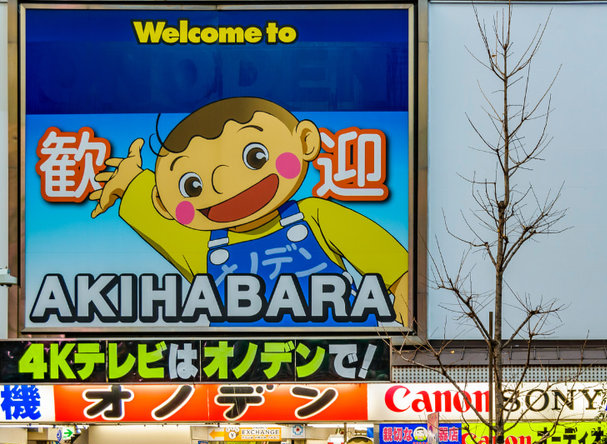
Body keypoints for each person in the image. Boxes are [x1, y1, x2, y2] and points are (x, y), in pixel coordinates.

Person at [90, 97, 409, 325]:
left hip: (347, 357)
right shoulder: (199, 246)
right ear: (165, 204)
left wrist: (404, 300)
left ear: (306, 142)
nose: (225, 182)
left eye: (255, 156)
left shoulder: (316, 216)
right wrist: (130, 182)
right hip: (242, 362)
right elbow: (152, 215)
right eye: (193, 186)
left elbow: (390, 263)